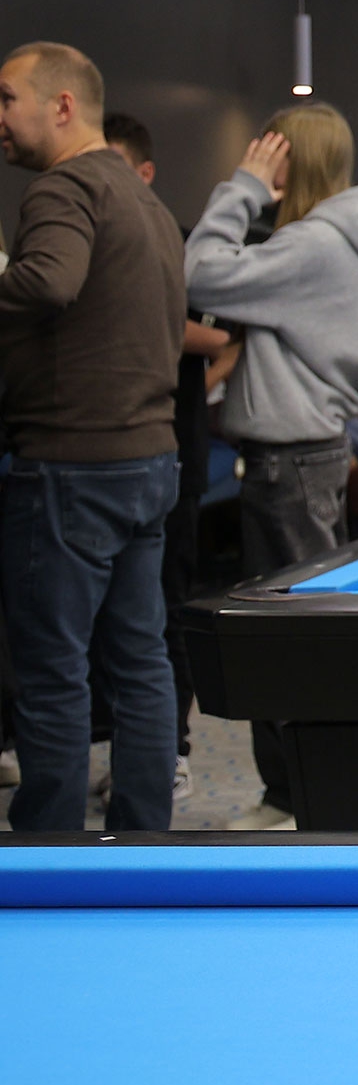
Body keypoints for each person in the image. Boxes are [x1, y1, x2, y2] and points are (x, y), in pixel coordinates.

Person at [185, 102, 358, 827]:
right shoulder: (344, 239)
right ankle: (297, 793)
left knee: (286, 640)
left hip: (290, 464)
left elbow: (198, 273)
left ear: (288, 162)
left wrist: (244, 187)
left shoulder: (311, 244)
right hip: (305, 458)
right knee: (295, 632)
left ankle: (299, 797)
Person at [0, 44, 186, 831]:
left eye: (7, 99)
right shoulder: (144, 200)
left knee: (52, 673)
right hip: (149, 461)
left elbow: (49, 280)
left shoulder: (64, 187)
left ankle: (47, 855)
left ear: (63, 105)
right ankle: (142, 841)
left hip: (71, 466)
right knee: (140, 662)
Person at [97, 112, 235, 800]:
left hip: (174, 449)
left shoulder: (175, 242)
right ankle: (131, 751)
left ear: (146, 173)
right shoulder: (90, 237)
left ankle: (171, 751)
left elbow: (220, 336)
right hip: (108, 450)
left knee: (168, 605)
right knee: (115, 617)